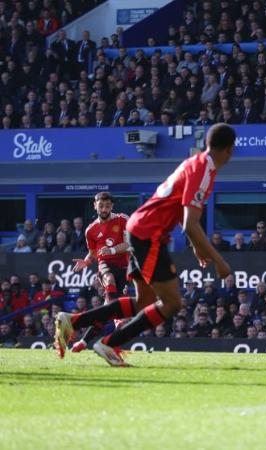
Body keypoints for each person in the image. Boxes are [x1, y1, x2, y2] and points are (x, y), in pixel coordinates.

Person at [54, 124, 236, 366]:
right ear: (229, 150)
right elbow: (190, 224)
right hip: (148, 234)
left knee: (144, 302)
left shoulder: (196, 162)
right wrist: (220, 260)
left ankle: (72, 321)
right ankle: (109, 343)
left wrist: (197, 248)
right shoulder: (204, 169)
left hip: (139, 230)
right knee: (172, 303)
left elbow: (185, 217)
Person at [67, 192, 132, 355]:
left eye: (108, 206)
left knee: (105, 311)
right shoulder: (91, 230)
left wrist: (111, 249)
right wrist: (87, 261)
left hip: (124, 266)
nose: (104, 209)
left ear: (112, 206)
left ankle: (83, 341)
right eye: (101, 206)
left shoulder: (123, 219)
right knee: (108, 280)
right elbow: (94, 253)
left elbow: (130, 244)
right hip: (105, 265)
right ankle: (117, 318)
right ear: (95, 206)